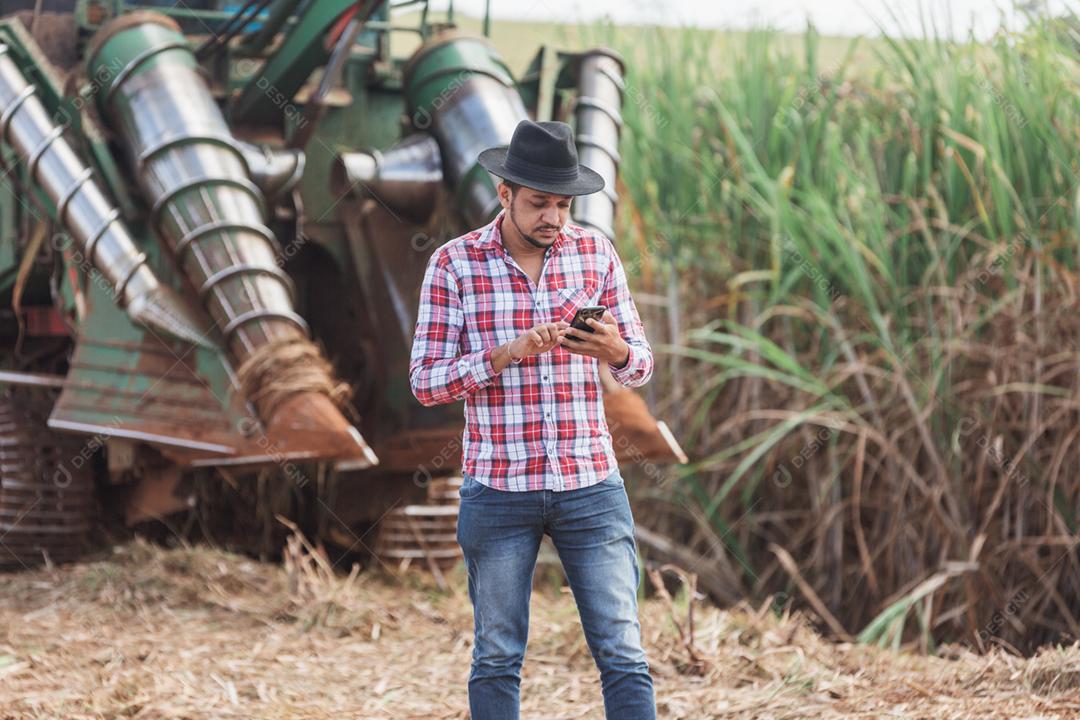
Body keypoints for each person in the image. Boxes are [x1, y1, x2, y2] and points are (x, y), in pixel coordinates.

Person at [409, 119, 657, 720]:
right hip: (497, 489)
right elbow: (424, 382)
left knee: (623, 652)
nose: (554, 217)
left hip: (590, 484)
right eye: (540, 203)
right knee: (496, 655)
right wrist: (501, 356)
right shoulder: (454, 264)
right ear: (504, 195)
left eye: (563, 204)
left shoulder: (595, 254)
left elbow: (642, 365)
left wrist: (615, 353)